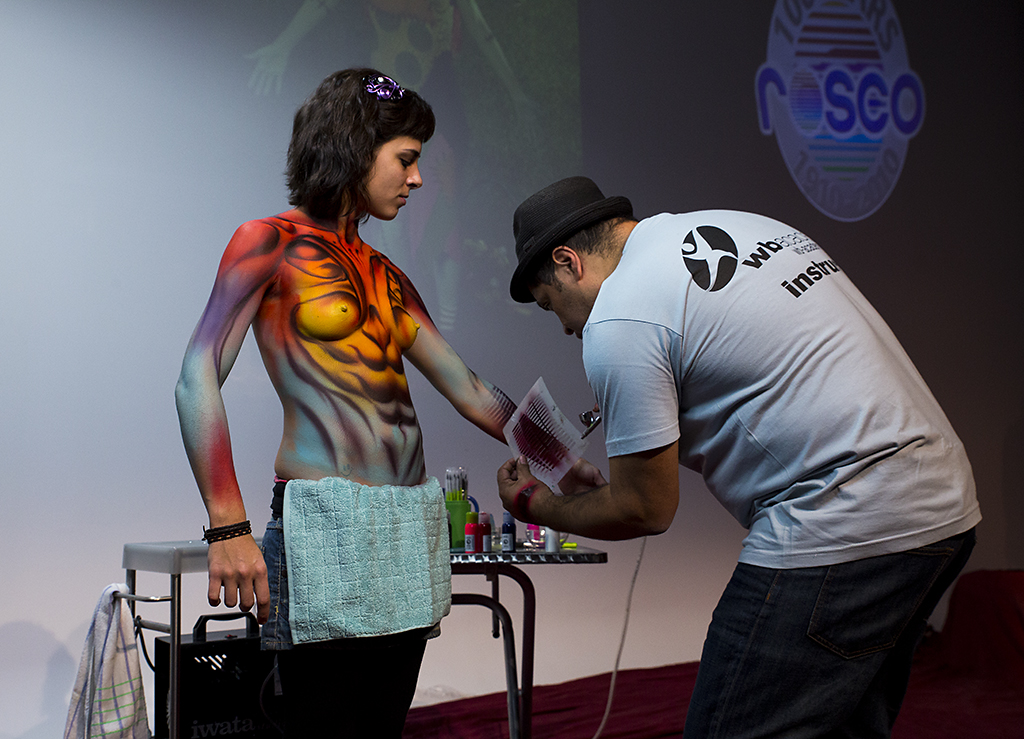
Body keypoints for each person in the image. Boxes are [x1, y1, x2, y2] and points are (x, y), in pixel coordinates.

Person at [496, 176, 980, 738]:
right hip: (943, 506)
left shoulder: (619, 318)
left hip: (845, 521)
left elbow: (643, 509)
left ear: (568, 262)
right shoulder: (741, 226)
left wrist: (536, 503)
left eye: (550, 303)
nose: (564, 326)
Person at [175, 68, 515, 737]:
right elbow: (197, 377)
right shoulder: (268, 242)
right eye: (406, 159)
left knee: (382, 727)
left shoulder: (388, 274)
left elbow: (473, 391)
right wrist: (227, 525)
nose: (418, 179)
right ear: (357, 149)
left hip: (407, 525)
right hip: (324, 525)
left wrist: (563, 458)